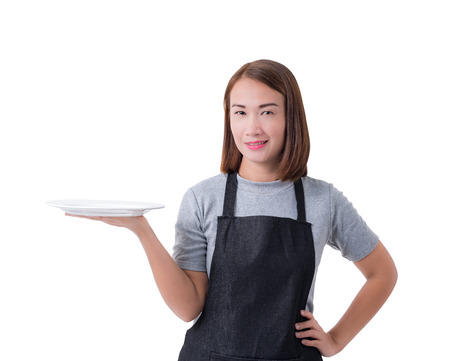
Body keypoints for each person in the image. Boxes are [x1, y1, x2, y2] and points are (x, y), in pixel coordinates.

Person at [68, 59, 397, 361]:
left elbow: (382, 273)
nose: (252, 128)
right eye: (240, 112)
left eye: (267, 112)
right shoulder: (202, 198)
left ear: (290, 117)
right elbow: (187, 307)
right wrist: (141, 230)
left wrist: (337, 339)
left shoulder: (324, 200)